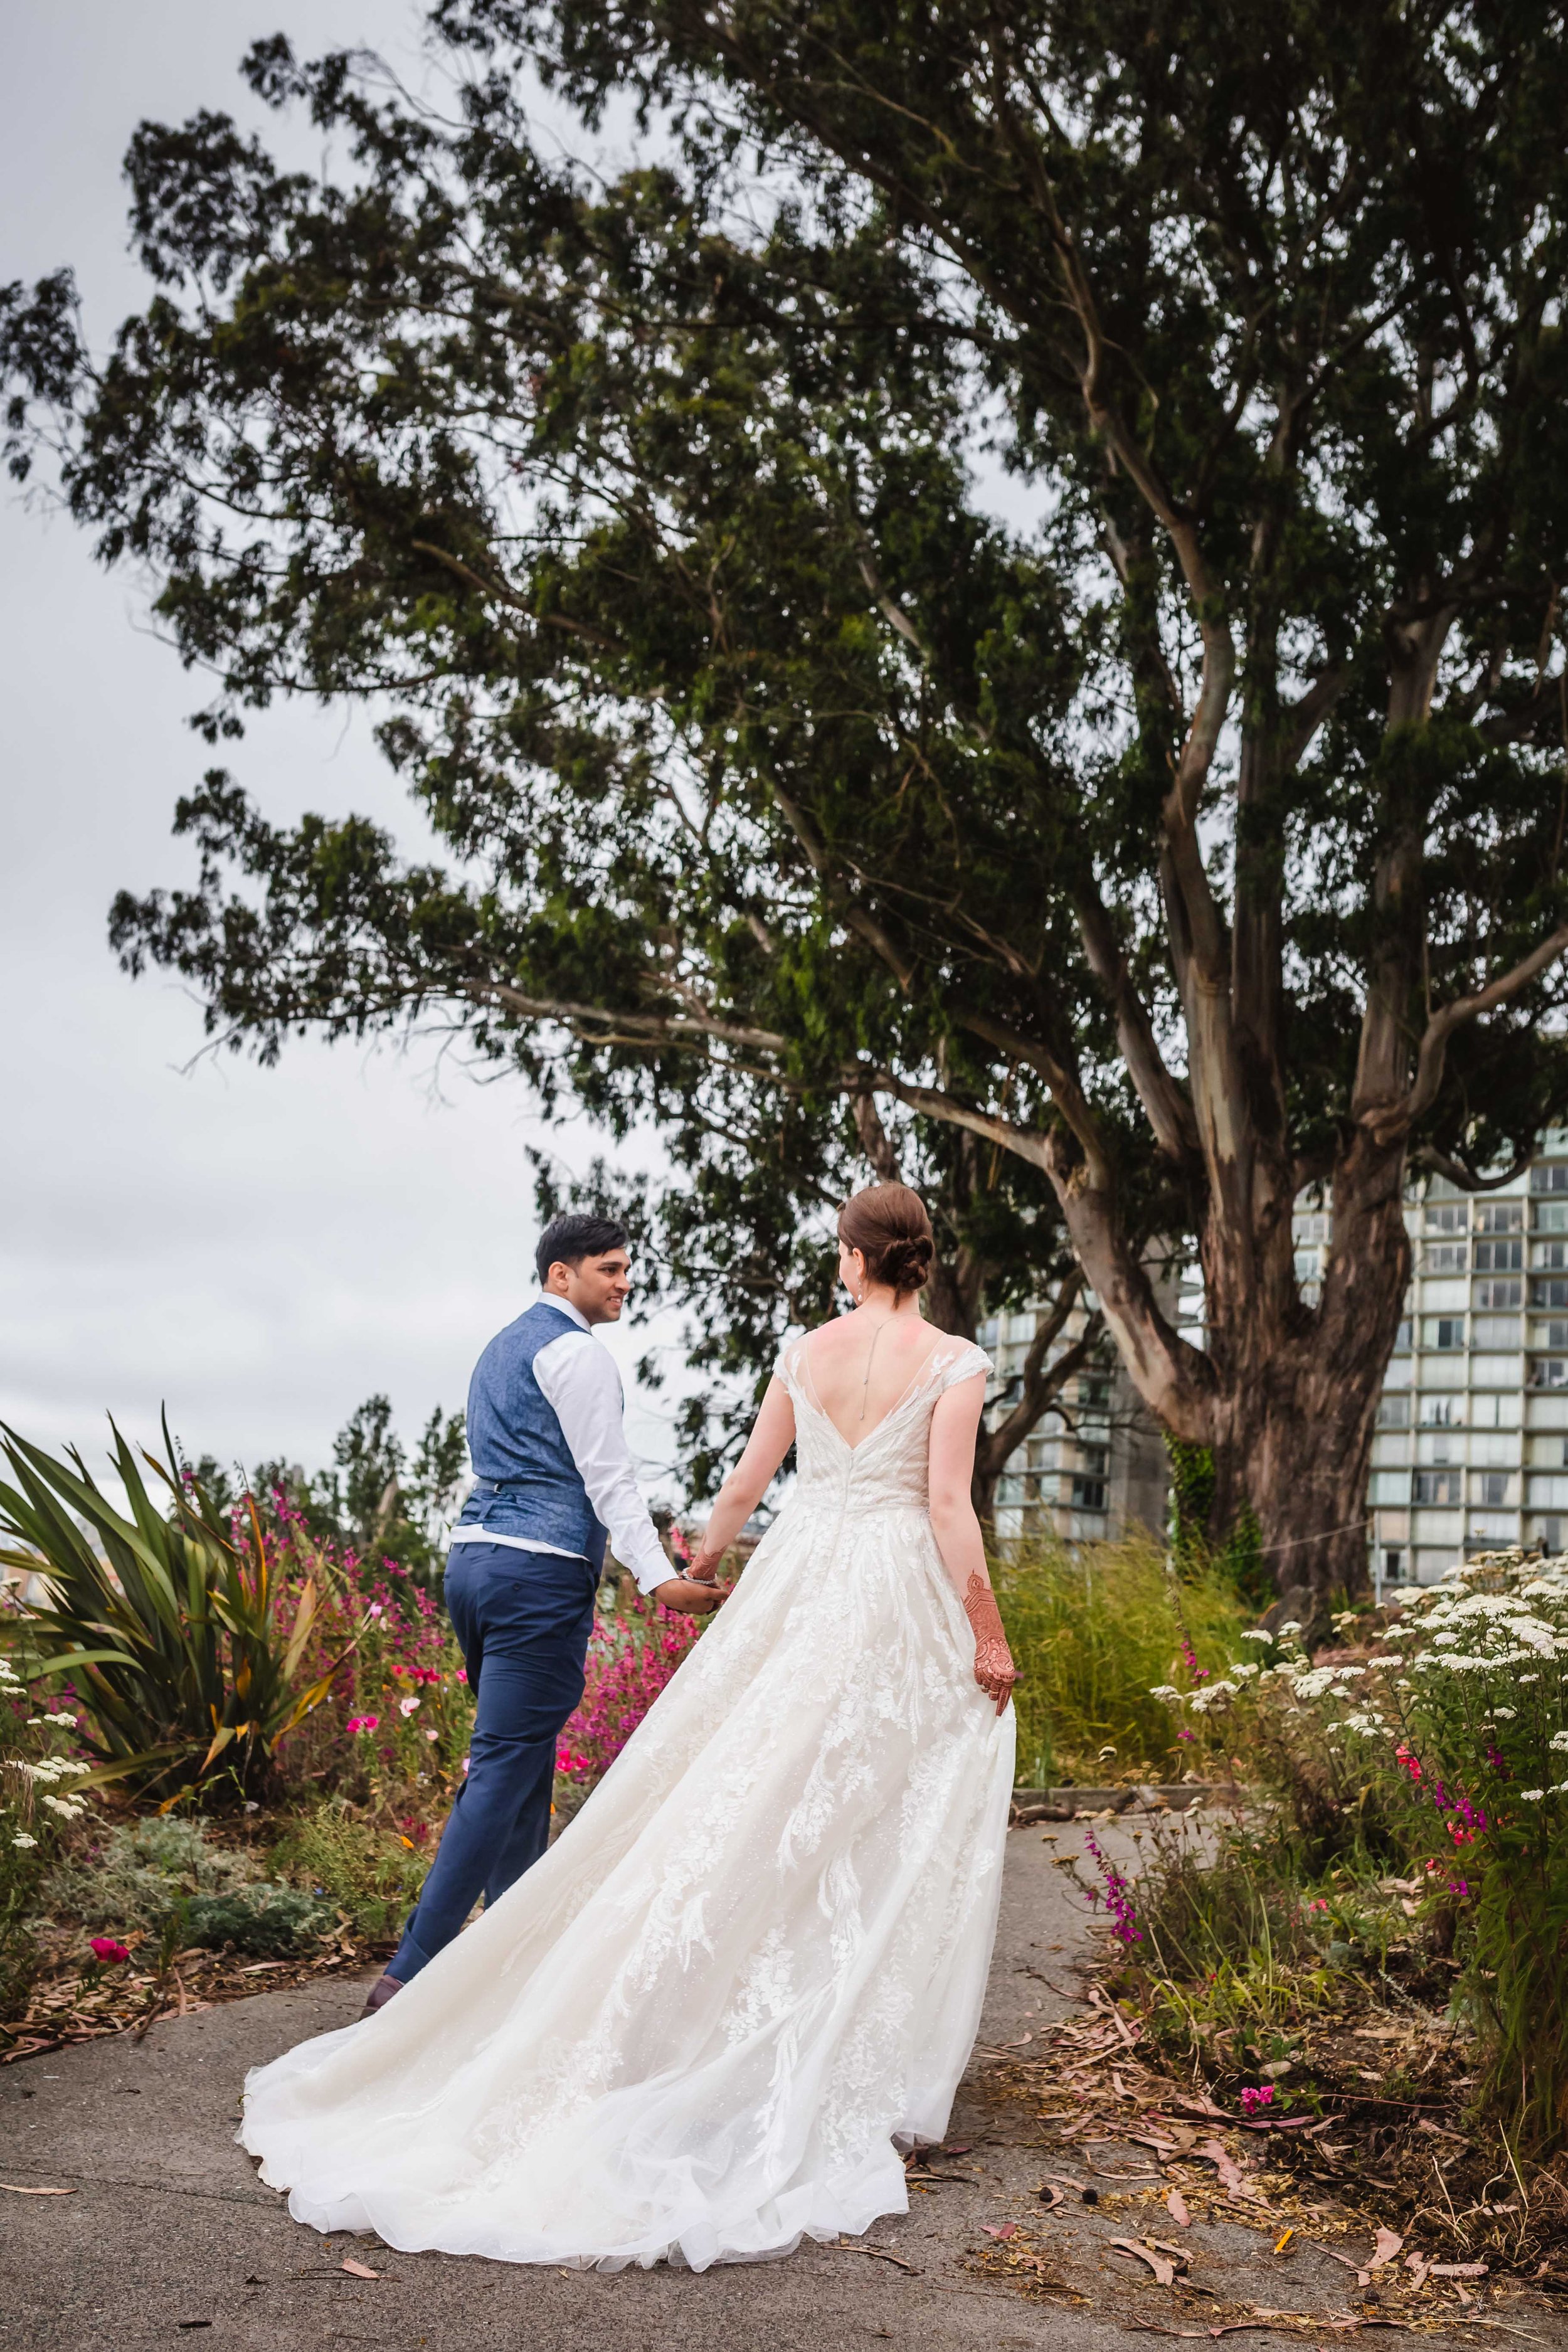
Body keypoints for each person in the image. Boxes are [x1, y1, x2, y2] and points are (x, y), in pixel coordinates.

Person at [241, 1182, 1019, 2272]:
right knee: (881, 1798)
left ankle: (643, 1997)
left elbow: (748, 1485)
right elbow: (947, 1508)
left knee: (737, 1790)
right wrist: (985, 1633)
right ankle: (843, 2040)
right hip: (891, 1592)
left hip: (798, 1582)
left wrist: (696, 1562)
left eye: (841, 1251)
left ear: (855, 1254)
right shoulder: (958, 1361)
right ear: (919, 1261)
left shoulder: (806, 1352)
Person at [359, 1212, 721, 2016]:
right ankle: (409, 1976)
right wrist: (660, 1580)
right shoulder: (577, 1354)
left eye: (628, 1268)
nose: (624, 1282)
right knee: (503, 1767)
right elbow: (610, 1481)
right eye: (609, 1268)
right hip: (540, 1574)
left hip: (474, 1565)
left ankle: (513, 1958)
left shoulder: (499, 1349)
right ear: (561, 1274)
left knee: (523, 1766)